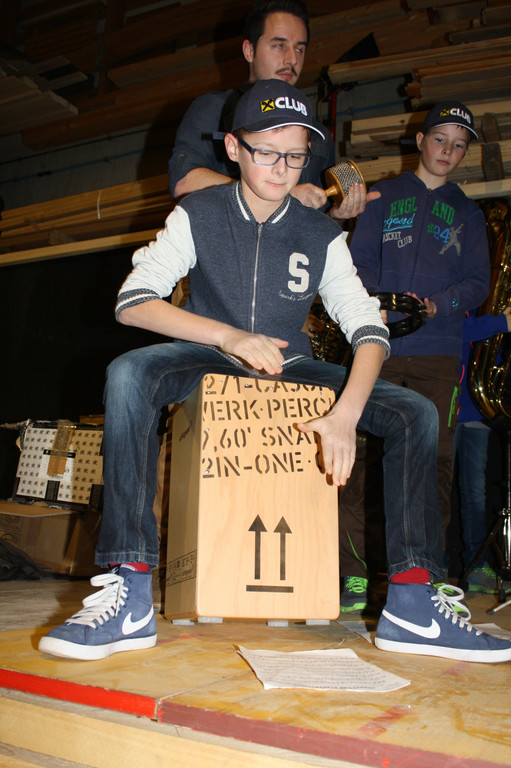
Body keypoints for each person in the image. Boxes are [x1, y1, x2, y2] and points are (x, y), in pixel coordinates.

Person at [38, 80, 511, 664]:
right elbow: (133, 301)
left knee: (414, 412)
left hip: (291, 363)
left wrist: (346, 415)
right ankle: (130, 591)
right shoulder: (199, 212)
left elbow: (369, 327)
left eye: (294, 156)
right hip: (209, 353)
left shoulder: (321, 233)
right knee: (129, 375)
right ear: (234, 148)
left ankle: (413, 604)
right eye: (265, 152)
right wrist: (229, 336)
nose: (281, 169)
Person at [340, 100, 491, 611]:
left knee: (435, 462)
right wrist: (375, 306)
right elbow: (356, 262)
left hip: (437, 357)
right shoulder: (383, 196)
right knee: (358, 457)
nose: (448, 150)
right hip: (376, 351)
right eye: (440, 139)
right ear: (421, 140)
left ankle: (427, 574)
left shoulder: (468, 213)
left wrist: (438, 304)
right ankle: (353, 576)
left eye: (459, 145)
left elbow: (478, 282)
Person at [168, 0, 372, 221]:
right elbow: (184, 183)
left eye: (299, 49)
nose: (292, 59)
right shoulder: (214, 108)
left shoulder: (317, 134)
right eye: (279, 45)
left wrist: (336, 215)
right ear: (249, 51)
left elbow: (317, 216)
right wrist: (276, 196)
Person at [454, 307, 511, 592]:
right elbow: (454, 333)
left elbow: (490, 357)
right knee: (437, 487)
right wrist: (499, 322)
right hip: (447, 402)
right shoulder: (449, 301)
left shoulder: (484, 306)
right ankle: (432, 564)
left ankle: (476, 566)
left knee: (476, 493)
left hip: (477, 408)